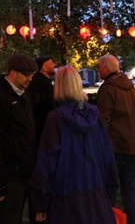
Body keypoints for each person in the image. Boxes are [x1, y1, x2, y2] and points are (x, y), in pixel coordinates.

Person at [30, 66, 118, 223]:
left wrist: (40, 203)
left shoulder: (55, 119)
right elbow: (108, 158)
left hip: (65, 198)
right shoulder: (95, 116)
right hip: (96, 195)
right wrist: (110, 194)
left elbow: (46, 163)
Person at [96, 54, 135, 224]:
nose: (98, 70)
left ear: (107, 68)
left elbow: (103, 119)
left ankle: (108, 218)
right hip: (132, 144)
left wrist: (99, 143)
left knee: (109, 188)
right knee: (129, 187)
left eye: (100, 67)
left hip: (115, 145)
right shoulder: (128, 86)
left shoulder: (108, 88)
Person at [0, 53, 38, 224]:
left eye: (32, 75)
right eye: (27, 74)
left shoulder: (24, 94)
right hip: (10, 176)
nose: (30, 79)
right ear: (13, 73)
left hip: (28, 171)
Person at [28, 55, 56, 143]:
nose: (54, 65)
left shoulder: (45, 81)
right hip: (42, 127)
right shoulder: (39, 82)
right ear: (44, 67)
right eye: (51, 62)